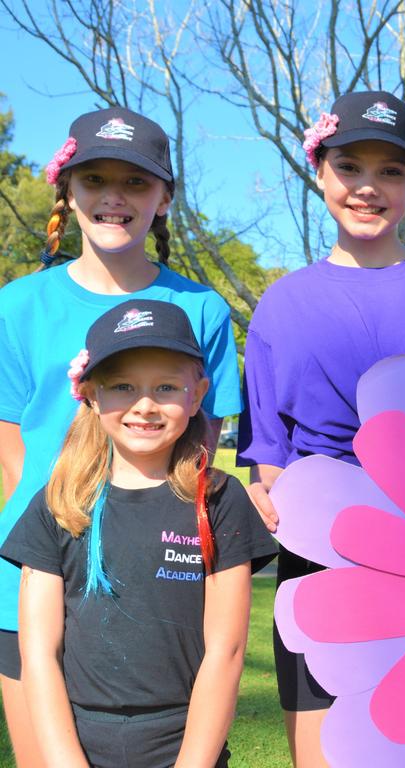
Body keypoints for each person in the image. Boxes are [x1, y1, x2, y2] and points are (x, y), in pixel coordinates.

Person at [237, 89, 405, 766]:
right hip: (321, 563)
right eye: (350, 166)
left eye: (391, 171)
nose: (368, 187)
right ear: (320, 172)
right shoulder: (281, 305)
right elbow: (269, 457)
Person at [0, 106, 241, 766]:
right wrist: (68, 523)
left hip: (161, 589)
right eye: (95, 179)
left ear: (164, 197)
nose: (113, 197)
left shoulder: (202, 311)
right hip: (35, 578)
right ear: (67, 190)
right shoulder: (17, 307)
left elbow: (200, 449)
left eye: (136, 182)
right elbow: (11, 454)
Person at [0, 300, 276, 767]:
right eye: (123, 386)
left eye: (166, 386)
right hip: (79, 744)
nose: (144, 405)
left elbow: (226, 652)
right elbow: (39, 652)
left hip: (186, 746)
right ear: (91, 394)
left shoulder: (218, 502)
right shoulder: (59, 503)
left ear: (197, 394)